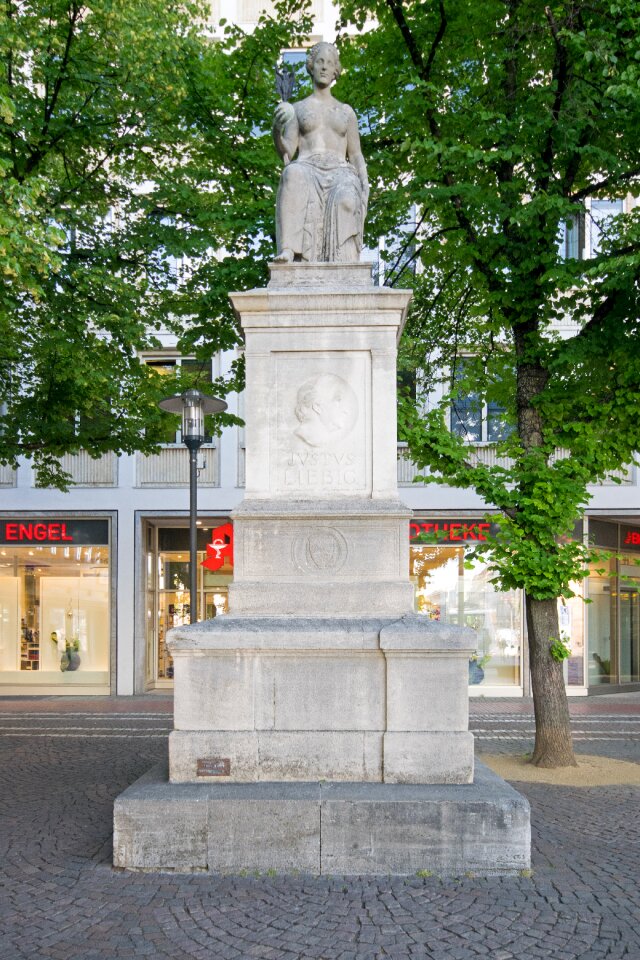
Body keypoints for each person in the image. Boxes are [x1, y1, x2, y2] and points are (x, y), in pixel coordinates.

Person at [273, 42, 369, 263]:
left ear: (336, 70)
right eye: (320, 62)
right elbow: (287, 151)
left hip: (340, 172)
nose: (324, 67)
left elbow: (355, 155)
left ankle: (343, 263)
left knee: (348, 196)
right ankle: (289, 250)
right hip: (307, 168)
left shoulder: (346, 112)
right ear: (311, 66)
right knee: (292, 174)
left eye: (329, 63)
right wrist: (276, 129)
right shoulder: (298, 108)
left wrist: (365, 183)